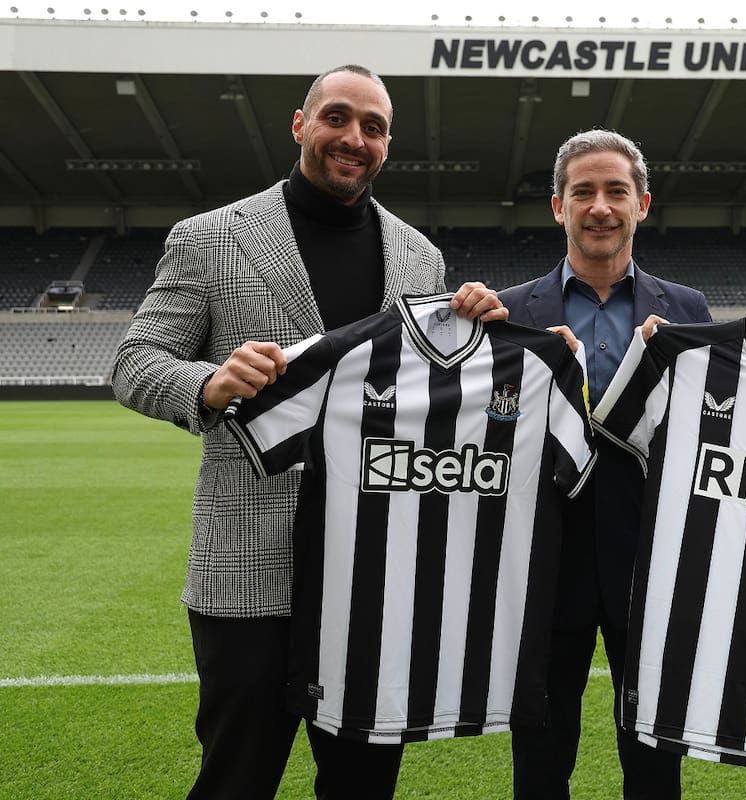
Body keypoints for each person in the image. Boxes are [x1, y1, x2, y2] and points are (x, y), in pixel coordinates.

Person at [111, 64, 505, 800]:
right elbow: (134, 361)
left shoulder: (421, 256)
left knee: (363, 783)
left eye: (374, 126)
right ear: (301, 124)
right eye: (337, 118)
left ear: (389, 143)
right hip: (249, 565)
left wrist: (476, 321)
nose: (353, 137)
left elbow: (428, 392)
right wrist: (207, 383)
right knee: (237, 776)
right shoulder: (209, 237)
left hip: (375, 572)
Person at [500, 129, 711, 800]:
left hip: (651, 566)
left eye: (615, 191)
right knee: (540, 757)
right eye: (582, 191)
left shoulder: (688, 310)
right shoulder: (505, 312)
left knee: (653, 760)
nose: (600, 206)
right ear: (556, 207)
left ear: (641, 204)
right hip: (541, 565)